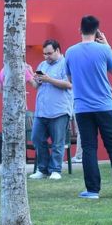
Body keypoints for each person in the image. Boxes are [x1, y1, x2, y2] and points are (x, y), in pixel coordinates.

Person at [65, 15, 112, 199]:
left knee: (89, 148)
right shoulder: (104, 50)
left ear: (80, 30)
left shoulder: (70, 52)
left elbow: (70, 78)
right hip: (105, 106)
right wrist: (107, 44)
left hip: (82, 108)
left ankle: (93, 190)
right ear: (97, 31)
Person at [28, 39, 73, 180]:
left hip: (59, 110)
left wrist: (49, 79)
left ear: (58, 50)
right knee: (36, 138)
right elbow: (36, 85)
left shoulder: (65, 64)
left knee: (57, 142)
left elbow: (69, 84)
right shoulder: (42, 65)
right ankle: (43, 169)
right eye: (44, 54)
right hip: (41, 111)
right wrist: (30, 75)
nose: (46, 57)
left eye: (49, 53)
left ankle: (55, 170)